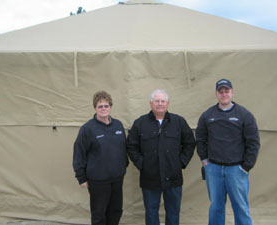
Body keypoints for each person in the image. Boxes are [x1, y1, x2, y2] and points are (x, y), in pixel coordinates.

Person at [196, 79, 260, 225]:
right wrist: (205, 161)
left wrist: (246, 167)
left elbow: (253, 142)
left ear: (232, 92)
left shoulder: (244, 115)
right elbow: (200, 138)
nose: (224, 94)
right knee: (216, 207)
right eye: (221, 91)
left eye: (227, 91)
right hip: (214, 169)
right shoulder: (207, 115)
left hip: (236, 170)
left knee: (241, 207)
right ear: (216, 94)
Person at [127, 89, 195, 225]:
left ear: (168, 104)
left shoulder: (178, 122)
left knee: (173, 211)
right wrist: (142, 165)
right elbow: (131, 146)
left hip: (173, 176)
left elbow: (190, 143)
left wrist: (180, 162)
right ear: (150, 103)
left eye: (162, 101)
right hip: (150, 177)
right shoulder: (140, 123)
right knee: (151, 212)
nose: (159, 104)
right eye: (156, 101)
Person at [73, 91, 128, 225]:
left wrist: (122, 167)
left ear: (110, 107)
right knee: (99, 213)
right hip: (98, 180)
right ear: (95, 108)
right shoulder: (88, 129)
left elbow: (123, 149)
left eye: (106, 106)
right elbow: (79, 153)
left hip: (116, 178)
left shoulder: (118, 125)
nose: (103, 109)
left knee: (115, 210)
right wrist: (81, 177)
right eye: (100, 106)